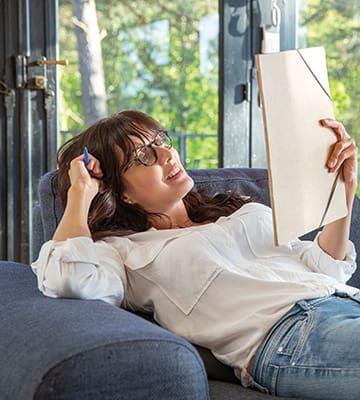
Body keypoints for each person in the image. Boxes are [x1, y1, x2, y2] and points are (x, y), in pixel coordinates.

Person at [32, 109, 359, 399]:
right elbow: (65, 278)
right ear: (122, 192)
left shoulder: (238, 210)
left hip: (344, 302)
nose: (166, 154)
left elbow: (324, 269)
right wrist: (81, 193)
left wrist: (343, 188)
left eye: (162, 140)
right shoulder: (124, 252)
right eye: (143, 155)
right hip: (290, 336)